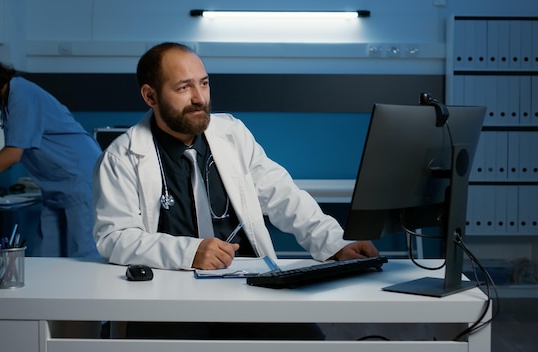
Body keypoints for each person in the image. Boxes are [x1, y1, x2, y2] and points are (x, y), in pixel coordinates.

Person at [92, 42, 379, 339]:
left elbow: (283, 195)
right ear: (150, 95)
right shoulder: (121, 157)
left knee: (309, 342)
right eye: (183, 88)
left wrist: (334, 242)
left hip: (248, 288)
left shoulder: (232, 134)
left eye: (204, 84)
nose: (199, 98)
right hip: (170, 294)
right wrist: (190, 252)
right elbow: (115, 237)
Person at [0, 50, 101, 258]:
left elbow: (13, 154)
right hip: (54, 187)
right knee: (46, 257)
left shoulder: (21, 93)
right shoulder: (9, 100)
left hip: (78, 177)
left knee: (84, 256)